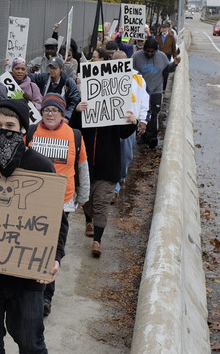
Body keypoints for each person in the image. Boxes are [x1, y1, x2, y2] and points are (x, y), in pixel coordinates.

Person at [0, 97, 66, 354]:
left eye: (10, 125)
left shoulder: (41, 167)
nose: (4, 130)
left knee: (30, 343)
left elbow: (59, 220)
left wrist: (55, 257)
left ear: (23, 129)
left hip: (28, 278)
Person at [27, 94, 90, 318]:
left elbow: (82, 166)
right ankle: (30, 289)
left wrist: (84, 195)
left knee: (52, 250)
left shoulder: (74, 135)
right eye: (46, 110)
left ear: (63, 114)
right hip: (33, 202)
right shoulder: (32, 132)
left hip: (62, 203)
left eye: (55, 110)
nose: (50, 113)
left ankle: (45, 297)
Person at [76, 100, 138, 258]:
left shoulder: (115, 105)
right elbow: (74, 129)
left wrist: (133, 122)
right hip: (86, 167)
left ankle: (97, 240)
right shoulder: (84, 104)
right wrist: (77, 111)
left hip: (108, 168)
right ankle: (88, 219)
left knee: (101, 203)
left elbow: (124, 133)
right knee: (87, 201)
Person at [113, 50, 149, 199]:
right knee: (111, 155)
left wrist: (143, 120)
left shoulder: (138, 79)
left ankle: (121, 177)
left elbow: (143, 100)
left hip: (128, 125)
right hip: (110, 124)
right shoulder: (105, 77)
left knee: (125, 155)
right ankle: (114, 188)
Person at [132, 38, 179, 150]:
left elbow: (167, 69)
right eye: (147, 51)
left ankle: (152, 137)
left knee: (154, 113)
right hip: (141, 91)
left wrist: (174, 64)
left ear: (156, 51)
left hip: (156, 90)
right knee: (141, 113)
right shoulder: (136, 57)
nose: (149, 53)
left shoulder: (161, 56)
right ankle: (143, 135)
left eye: (152, 52)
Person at [28, 56, 81, 122]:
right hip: (45, 114)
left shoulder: (69, 82)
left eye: (54, 68)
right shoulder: (44, 77)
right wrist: (30, 70)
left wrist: (67, 116)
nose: (52, 70)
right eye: (50, 68)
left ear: (61, 69)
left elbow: (75, 101)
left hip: (61, 116)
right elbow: (28, 78)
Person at [155, 22, 177, 90]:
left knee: (165, 72)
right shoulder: (158, 36)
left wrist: (175, 57)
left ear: (168, 29)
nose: (164, 30)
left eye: (165, 28)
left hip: (167, 56)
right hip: (159, 56)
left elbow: (174, 48)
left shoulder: (171, 36)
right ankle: (158, 86)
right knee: (158, 71)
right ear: (161, 29)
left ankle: (163, 88)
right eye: (163, 28)